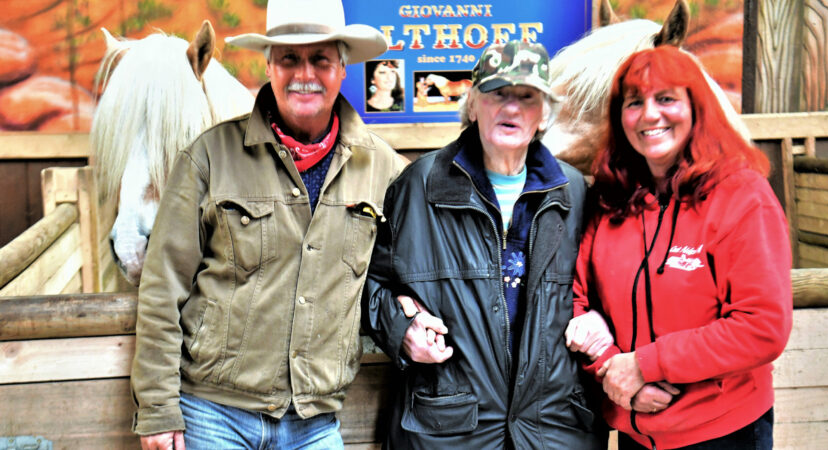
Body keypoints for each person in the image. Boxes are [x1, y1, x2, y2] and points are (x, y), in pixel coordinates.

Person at [129, 0, 406, 448]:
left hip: (315, 421)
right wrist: (158, 409)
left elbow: (408, 268)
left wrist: (413, 315)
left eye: (321, 60)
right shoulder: (209, 156)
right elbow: (163, 286)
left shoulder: (385, 169)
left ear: (342, 68)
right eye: (289, 58)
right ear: (269, 66)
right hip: (213, 415)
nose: (304, 74)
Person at [362, 40, 607, 449]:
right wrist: (401, 328)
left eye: (526, 97)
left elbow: (607, 289)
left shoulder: (575, 193)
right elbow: (366, 284)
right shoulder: (419, 186)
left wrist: (601, 319)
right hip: (449, 431)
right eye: (497, 94)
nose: (511, 108)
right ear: (473, 105)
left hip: (553, 430)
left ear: (544, 114)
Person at [565, 45, 792, 449]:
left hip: (722, 430)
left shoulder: (741, 195)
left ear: (696, 108)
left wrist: (645, 365)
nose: (650, 115)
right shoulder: (610, 200)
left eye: (666, 99)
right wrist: (615, 372)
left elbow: (762, 326)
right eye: (635, 102)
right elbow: (577, 300)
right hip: (636, 429)